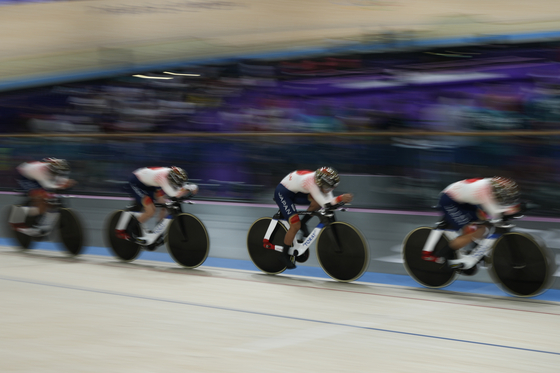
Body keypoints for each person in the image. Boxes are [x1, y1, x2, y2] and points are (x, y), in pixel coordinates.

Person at [422, 176, 521, 270]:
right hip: (449, 200)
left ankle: (474, 250)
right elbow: (495, 213)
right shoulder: (484, 190)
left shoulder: (494, 183)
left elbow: (499, 208)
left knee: (484, 223)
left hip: (465, 200)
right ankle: (443, 255)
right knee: (472, 231)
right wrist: (512, 210)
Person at [273, 166, 353, 269]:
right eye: (327, 187)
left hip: (297, 191)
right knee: (295, 224)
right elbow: (326, 204)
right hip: (283, 193)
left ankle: (304, 223)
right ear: (320, 183)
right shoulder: (311, 182)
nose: (329, 190)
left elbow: (328, 200)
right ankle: (283, 255)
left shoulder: (322, 181)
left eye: (331, 187)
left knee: (316, 203)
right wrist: (341, 198)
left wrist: (337, 199)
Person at [115, 166, 198, 244]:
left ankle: (157, 232)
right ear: (172, 179)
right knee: (151, 210)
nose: (179, 185)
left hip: (150, 183)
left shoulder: (172, 175)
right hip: (136, 182)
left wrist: (189, 187)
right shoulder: (162, 177)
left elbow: (182, 187)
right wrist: (190, 188)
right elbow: (174, 194)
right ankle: (131, 228)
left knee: (164, 205)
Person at [11, 157, 76, 236]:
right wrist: (62, 185)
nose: (61, 174)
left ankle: (45, 226)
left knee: (51, 202)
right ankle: (20, 212)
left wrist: (65, 184)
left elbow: (60, 180)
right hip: (25, 176)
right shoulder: (41, 171)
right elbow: (48, 186)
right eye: (58, 173)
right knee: (41, 197)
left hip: (39, 176)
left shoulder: (58, 170)